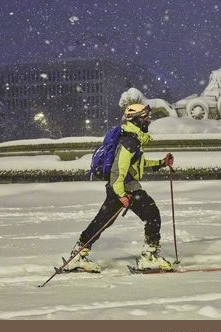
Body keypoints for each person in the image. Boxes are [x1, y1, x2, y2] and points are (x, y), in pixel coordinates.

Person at [66, 103, 174, 272]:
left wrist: (161, 163)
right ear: (137, 119)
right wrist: (122, 194)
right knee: (152, 214)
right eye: (146, 117)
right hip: (126, 188)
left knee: (101, 222)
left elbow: (136, 165)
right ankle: (149, 257)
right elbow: (118, 170)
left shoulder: (131, 138)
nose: (149, 120)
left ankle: (77, 256)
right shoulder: (129, 141)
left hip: (118, 187)